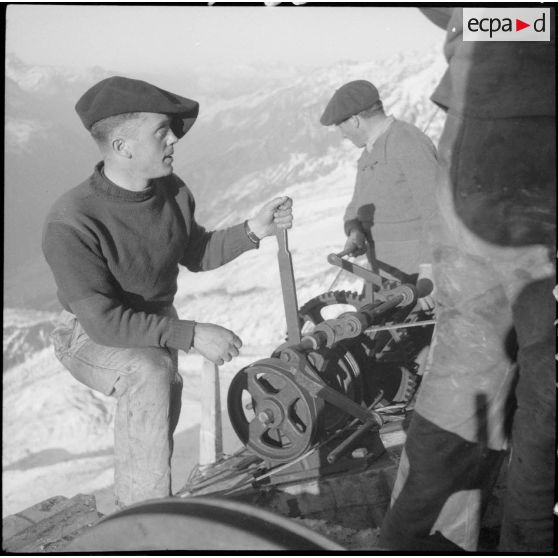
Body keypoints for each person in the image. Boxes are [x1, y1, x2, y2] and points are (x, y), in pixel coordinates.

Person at [42, 76, 293, 509]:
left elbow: (195, 251)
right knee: (149, 374)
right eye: (162, 131)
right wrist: (193, 335)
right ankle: (147, 523)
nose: (174, 139)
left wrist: (254, 230)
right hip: (87, 331)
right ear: (123, 147)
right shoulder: (71, 221)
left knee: (160, 400)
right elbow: (103, 322)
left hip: (155, 326)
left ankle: (143, 507)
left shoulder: (173, 192)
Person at [379, 7, 556, 552]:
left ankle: (418, 543)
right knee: (547, 377)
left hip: (473, 131)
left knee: (467, 362)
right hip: (539, 135)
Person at [319, 80, 438, 309]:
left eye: (340, 127)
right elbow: (357, 203)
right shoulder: (371, 151)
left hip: (414, 276)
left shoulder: (407, 142)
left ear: (354, 120)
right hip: (384, 275)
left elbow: (436, 210)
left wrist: (429, 270)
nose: (342, 135)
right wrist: (354, 230)